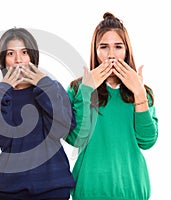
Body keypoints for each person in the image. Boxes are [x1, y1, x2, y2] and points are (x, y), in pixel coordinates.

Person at [65, 12, 158, 200]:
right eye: (104, 47)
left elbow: (147, 141)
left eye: (118, 47)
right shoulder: (77, 88)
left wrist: (139, 94)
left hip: (132, 188)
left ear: (127, 51)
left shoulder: (142, 91)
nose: (111, 55)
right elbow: (76, 139)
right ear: (95, 50)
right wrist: (87, 92)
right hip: (89, 189)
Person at [0, 27, 76, 200]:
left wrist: (44, 86)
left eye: (24, 52)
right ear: (3, 60)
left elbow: (63, 129)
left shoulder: (51, 87)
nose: (18, 60)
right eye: (11, 53)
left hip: (53, 186)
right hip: (12, 189)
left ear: (32, 56)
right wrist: (2, 93)